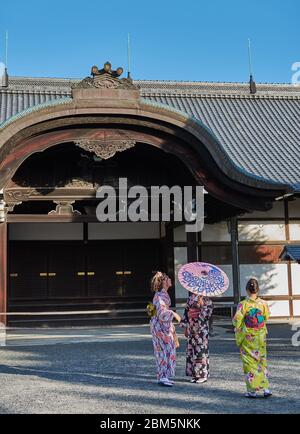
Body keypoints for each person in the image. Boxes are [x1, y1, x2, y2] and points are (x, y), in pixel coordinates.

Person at [232, 278, 272, 398]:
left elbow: (236, 321)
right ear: (258, 289)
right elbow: (266, 317)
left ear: (247, 290)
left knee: (249, 363)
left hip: (249, 336)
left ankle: (252, 391)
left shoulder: (243, 304)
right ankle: (266, 389)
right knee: (262, 361)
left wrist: (239, 328)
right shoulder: (263, 304)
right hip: (260, 336)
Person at [149, 271, 181, 387]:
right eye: (168, 279)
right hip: (160, 327)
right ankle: (162, 376)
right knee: (164, 350)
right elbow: (162, 313)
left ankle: (164, 375)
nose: (170, 280)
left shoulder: (162, 295)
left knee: (167, 350)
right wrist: (173, 314)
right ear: (164, 282)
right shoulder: (160, 296)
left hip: (163, 326)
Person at [181, 292, 213, 383]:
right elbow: (186, 313)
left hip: (201, 330)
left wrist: (203, 306)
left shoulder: (207, 299)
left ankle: (203, 374)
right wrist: (186, 327)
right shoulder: (190, 298)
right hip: (191, 327)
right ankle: (195, 374)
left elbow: (207, 315)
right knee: (192, 351)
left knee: (201, 350)